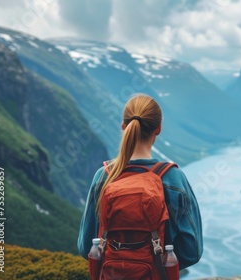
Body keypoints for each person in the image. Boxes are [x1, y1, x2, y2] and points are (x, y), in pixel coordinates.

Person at [77, 94, 203, 270]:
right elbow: (192, 251)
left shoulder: (103, 177)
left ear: (123, 126)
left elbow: (86, 247)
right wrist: (157, 263)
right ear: (158, 129)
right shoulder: (173, 178)